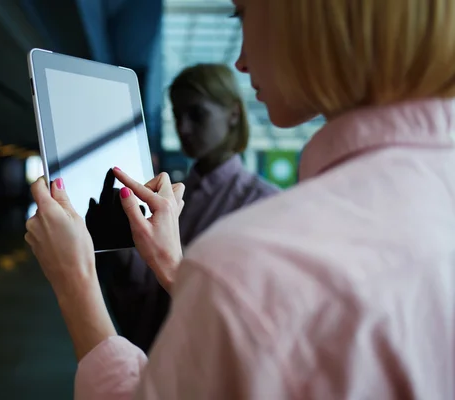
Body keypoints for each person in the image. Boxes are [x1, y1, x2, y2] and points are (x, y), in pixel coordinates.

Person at [25, 0, 455, 398]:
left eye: (243, 13)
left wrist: (75, 280)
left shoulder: (252, 255)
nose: (240, 59)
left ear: (308, 16)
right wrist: (180, 271)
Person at [92, 63, 279, 352]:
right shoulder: (169, 195)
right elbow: (145, 291)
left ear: (233, 113)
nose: (183, 128)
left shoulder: (265, 206)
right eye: (178, 116)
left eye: (197, 114)